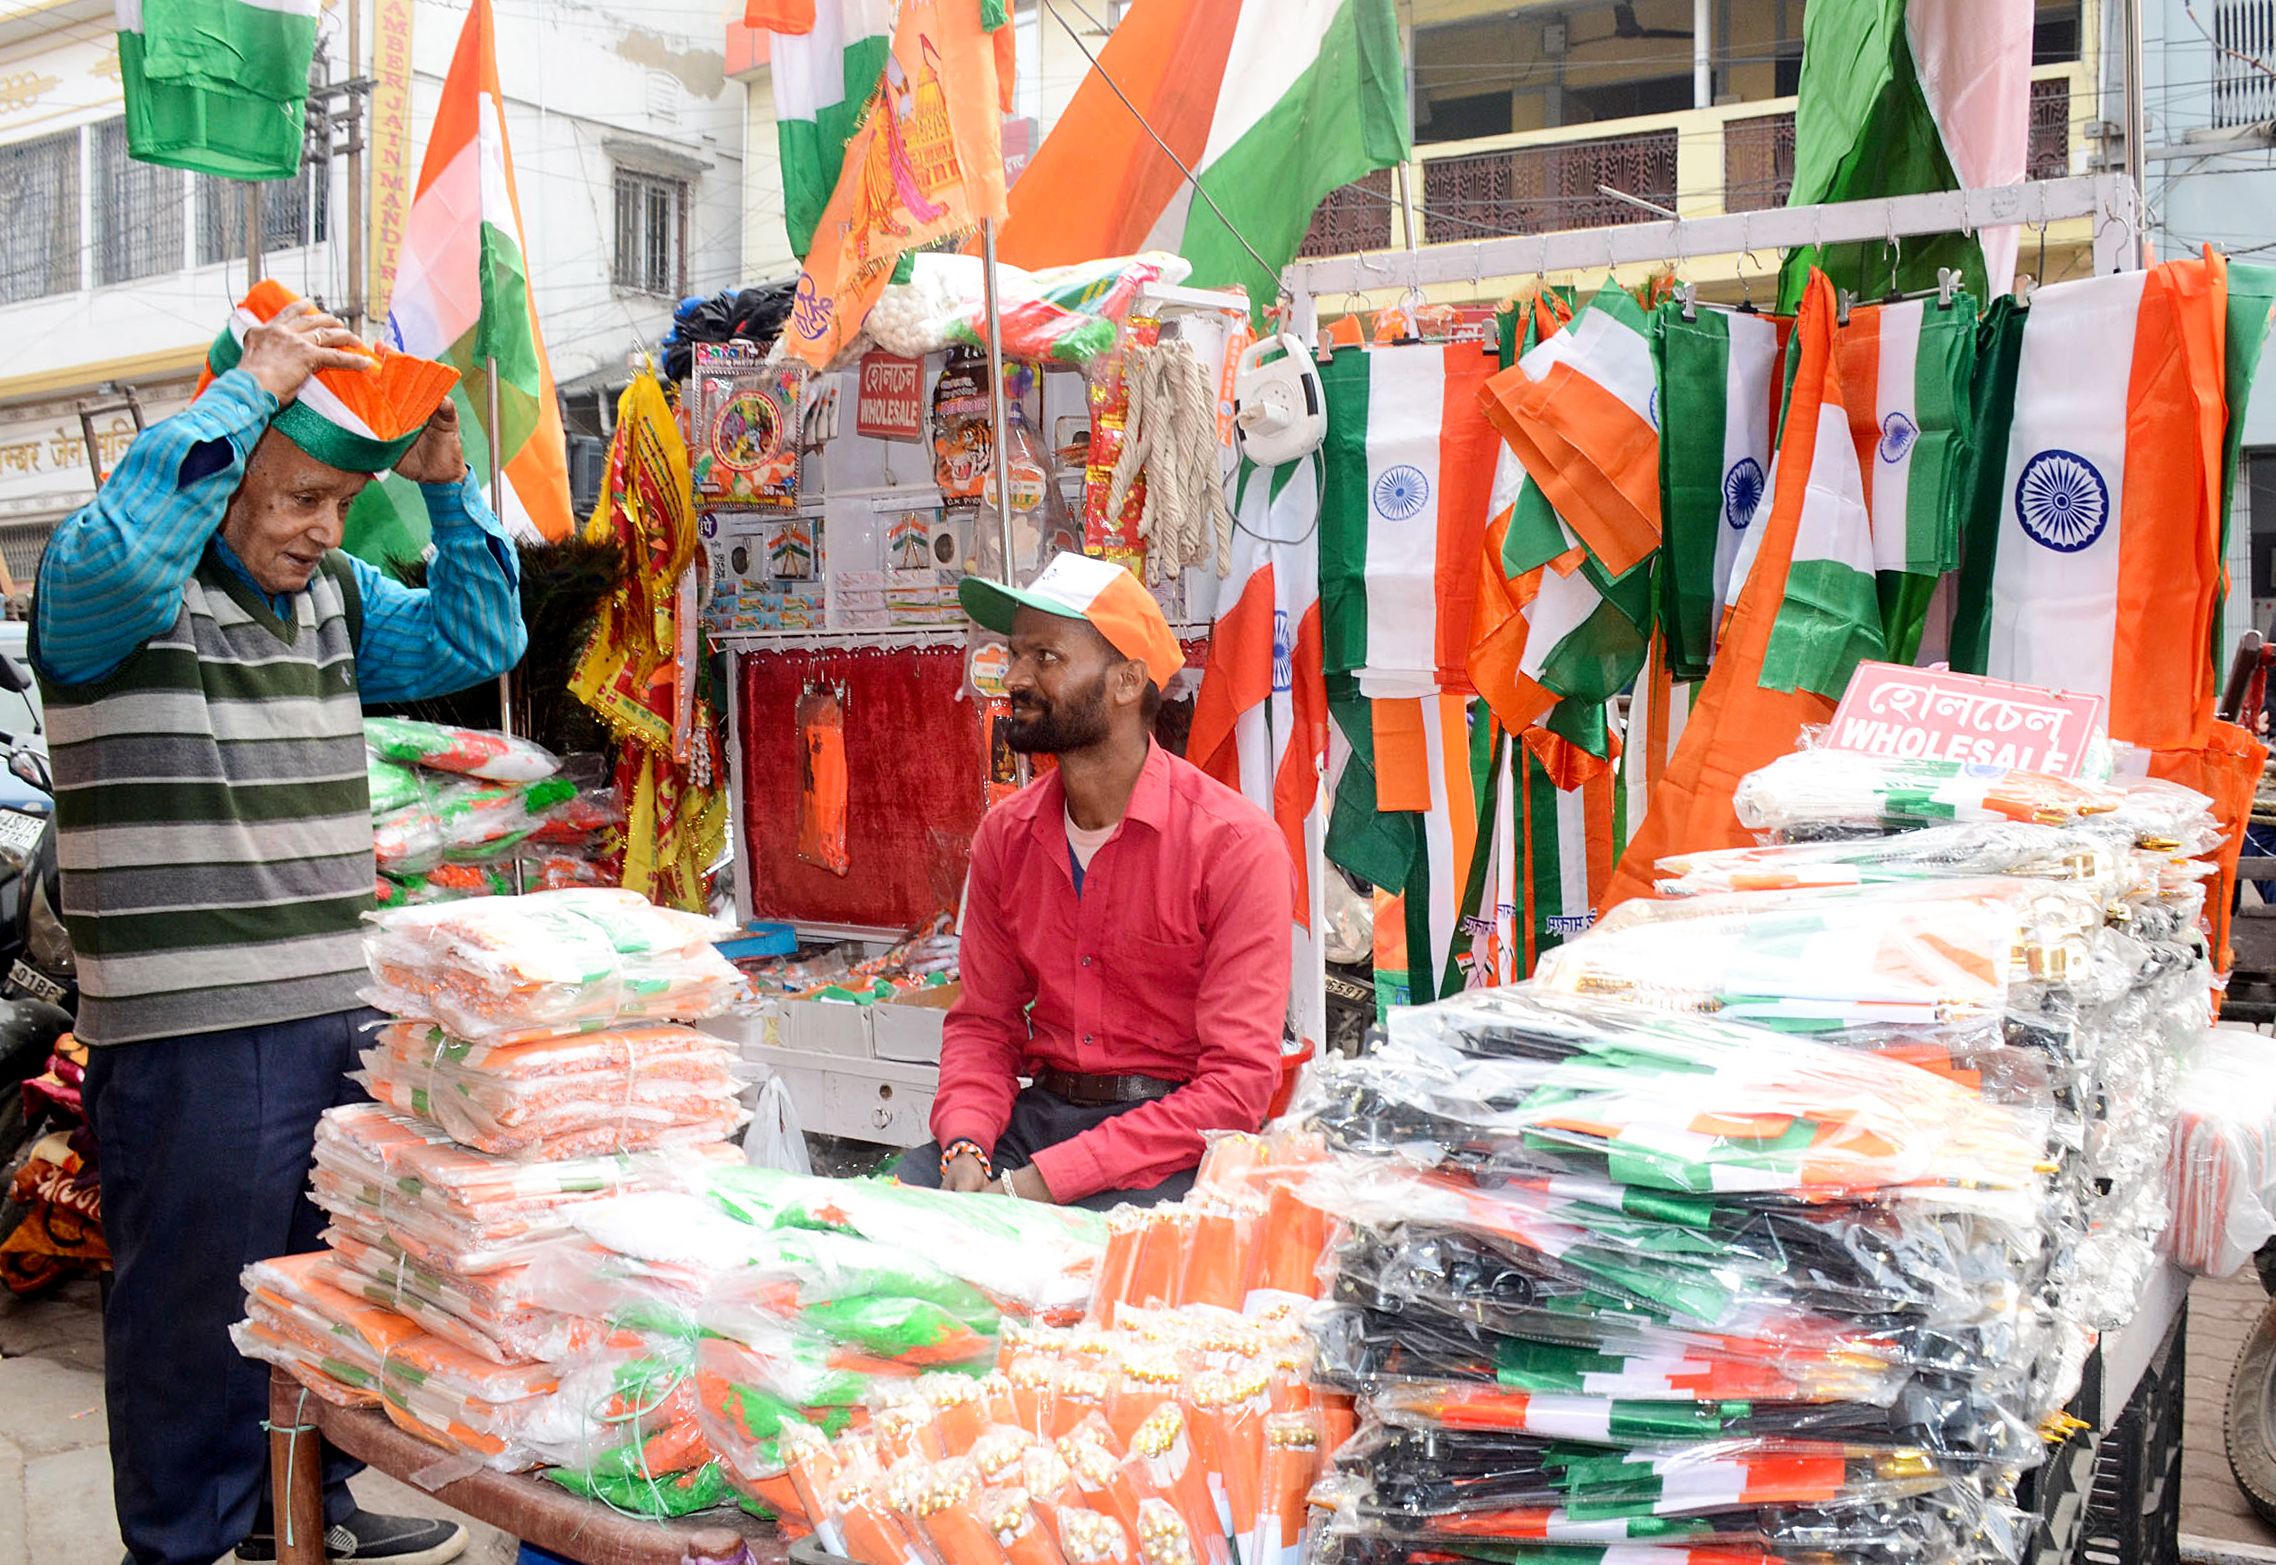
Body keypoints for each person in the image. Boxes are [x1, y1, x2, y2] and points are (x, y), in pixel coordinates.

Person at [32, 284, 528, 1565]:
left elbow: (481, 632)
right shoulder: (110, 591)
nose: (324, 528)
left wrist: (448, 488)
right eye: (301, 495)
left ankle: (301, 1507)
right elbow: (127, 553)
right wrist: (243, 387)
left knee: (324, 1289)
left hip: (331, 1006)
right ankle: (184, 1541)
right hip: (196, 1027)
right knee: (193, 1314)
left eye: (342, 503)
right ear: (227, 467)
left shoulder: (334, 596)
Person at [896, 553, 1293, 1212]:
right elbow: (984, 1028)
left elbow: (1235, 1089)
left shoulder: (1236, 845)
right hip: (1035, 1122)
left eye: (1046, 657)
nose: (1015, 677)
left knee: (1081, 1287)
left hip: (1171, 1145)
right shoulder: (1006, 835)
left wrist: (1042, 1183)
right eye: (1016, 654)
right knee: (878, 1221)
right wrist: (965, 1143)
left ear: (1127, 680)